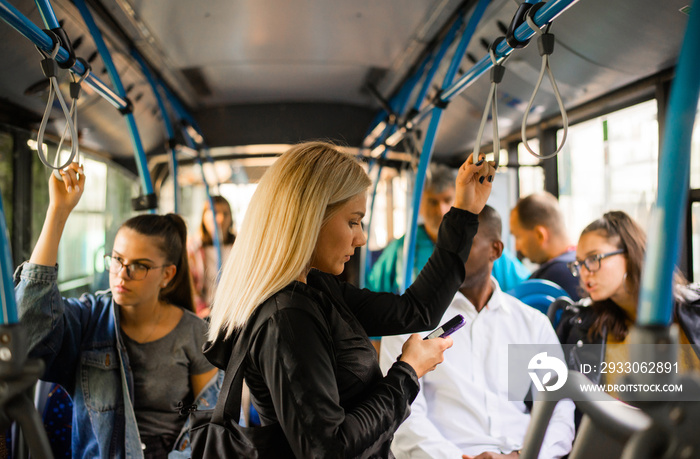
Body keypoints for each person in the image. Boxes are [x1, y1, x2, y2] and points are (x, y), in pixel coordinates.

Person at [205, 141, 496, 457]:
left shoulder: (317, 289)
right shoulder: (287, 317)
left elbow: (416, 310)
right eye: (353, 221)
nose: (361, 239)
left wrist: (465, 212)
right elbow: (329, 449)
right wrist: (407, 372)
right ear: (311, 218)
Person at [14, 162, 219, 459]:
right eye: (117, 260)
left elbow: (204, 416)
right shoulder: (89, 318)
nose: (122, 275)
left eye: (140, 266)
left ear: (168, 274)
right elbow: (26, 336)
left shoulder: (193, 332)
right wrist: (57, 212)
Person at [379, 206, 574, 459]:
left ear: (496, 250)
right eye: (446, 243)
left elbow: (559, 410)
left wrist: (521, 456)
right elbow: (402, 416)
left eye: (465, 243)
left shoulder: (531, 324)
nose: (451, 254)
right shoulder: (409, 325)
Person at [557, 211, 700, 385]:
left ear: (629, 253)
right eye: (579, 263)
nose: (584, 272)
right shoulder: (585, 326)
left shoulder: (693, 311)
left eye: (593, 258)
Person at [368, 163, 529, 294]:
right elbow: (373, 291)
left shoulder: (480, 245)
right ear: (421, 205)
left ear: (458, 200)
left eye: (447, 200)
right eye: (432, 202)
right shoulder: (404, 247)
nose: (441, 210)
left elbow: (525, 285)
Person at [510, 192, 581, 299]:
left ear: (540, 235)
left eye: (518, 237)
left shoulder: (545, 282)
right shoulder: (583, 267)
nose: (517, 247)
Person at [188, 195, 236, 317]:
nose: (220, 219)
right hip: (205, 312)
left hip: (234, 311)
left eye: (225, 214)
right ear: (204, 217)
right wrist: (202, 310)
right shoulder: (193, 250)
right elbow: (190, 287)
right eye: (215, 213)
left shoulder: (240, 247)